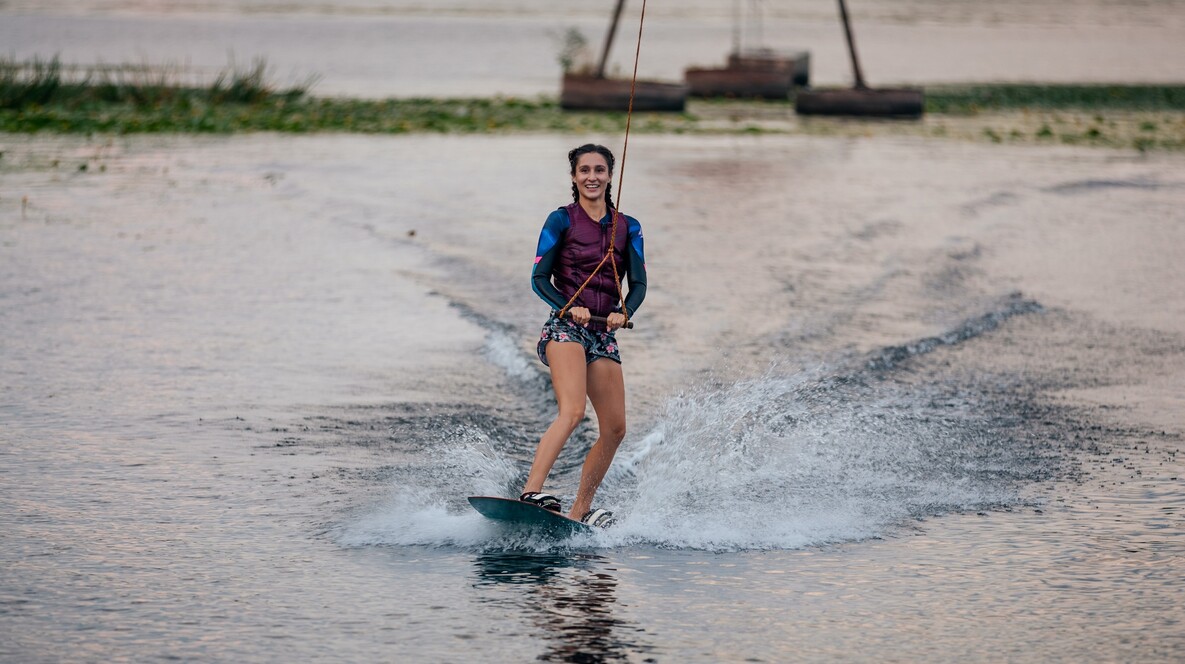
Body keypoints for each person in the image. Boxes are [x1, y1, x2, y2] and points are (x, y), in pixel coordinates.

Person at [520, 143, 647, 528]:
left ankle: (580, 510)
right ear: (574, 177)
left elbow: (639, 283)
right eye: (584, 170)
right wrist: (568, 305)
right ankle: (531, 493)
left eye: (599, 170)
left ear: (610, 176)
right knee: (573, 411)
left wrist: (625, 312)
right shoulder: (560, 220)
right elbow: (539, 278)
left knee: (615, 428)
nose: (592, 176)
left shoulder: (629, 227)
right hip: (565, 328)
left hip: (602, 334)